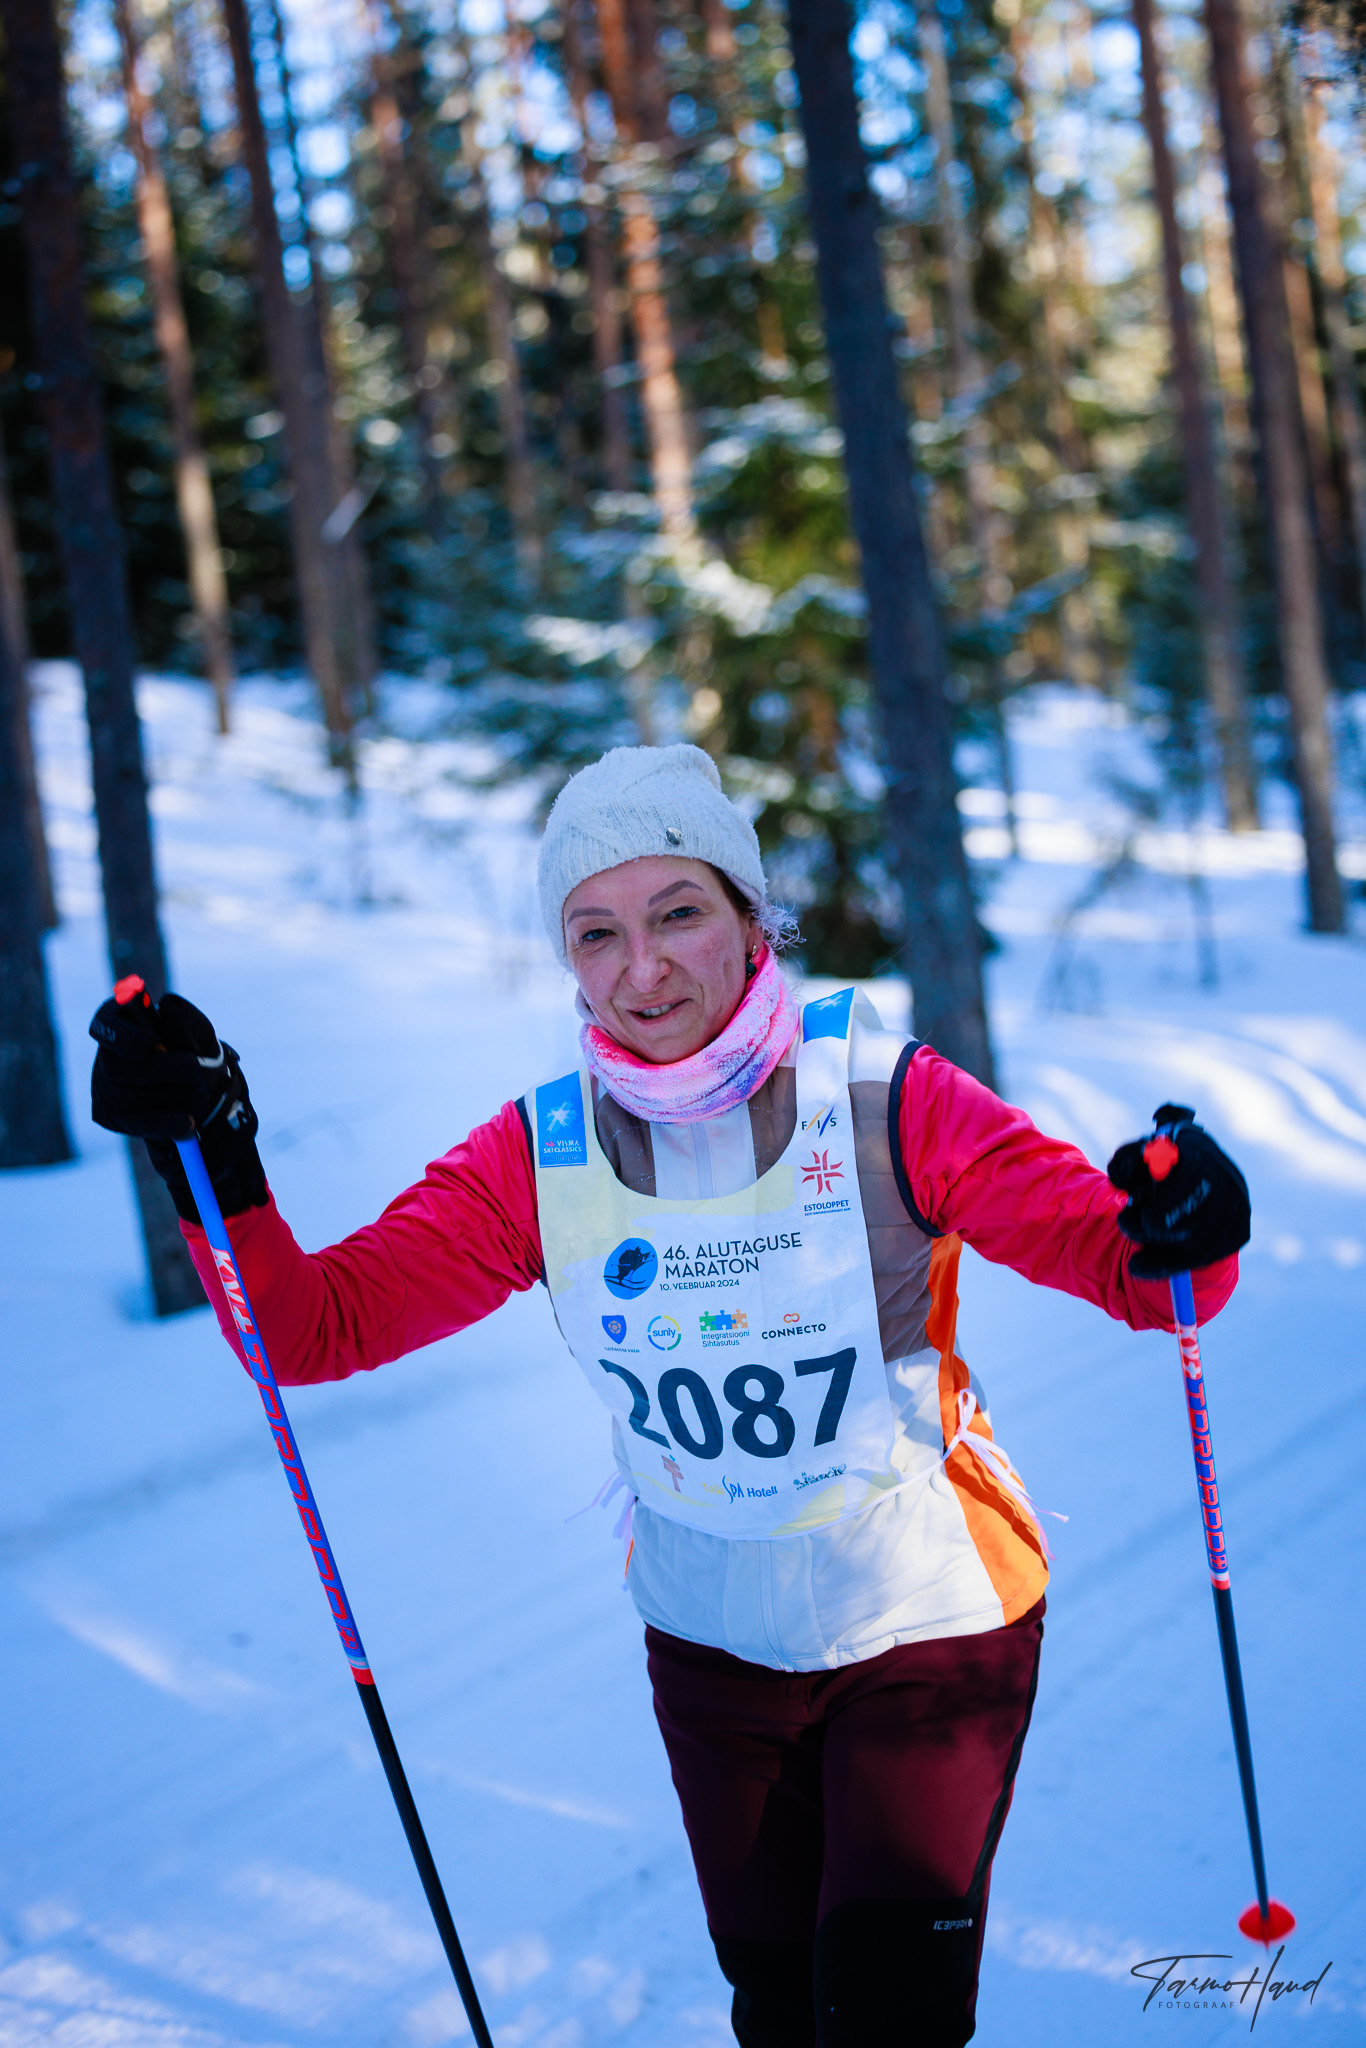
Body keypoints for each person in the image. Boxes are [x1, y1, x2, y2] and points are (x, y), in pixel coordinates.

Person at [89, 743, 1250, 2047]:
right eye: (596, 933)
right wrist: (211, 1157)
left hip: (927, 1615)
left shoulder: (886, 1098)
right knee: (776, 2011)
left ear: (752, 922)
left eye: (678, 913)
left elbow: (1139, 1273)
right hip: (710, 1647)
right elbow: (310, 1331)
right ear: (568, 960)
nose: (641, 969)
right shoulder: (539, 1154)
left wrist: (1184, 1226)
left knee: (885, 2018)